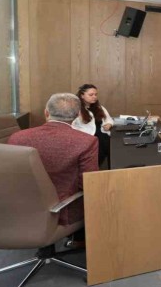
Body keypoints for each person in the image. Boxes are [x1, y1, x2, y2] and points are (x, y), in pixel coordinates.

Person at [8, 93, 98, 227]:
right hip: (61, 211)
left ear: (46, 112)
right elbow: (89, 183)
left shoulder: (17, 137)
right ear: (78, 115)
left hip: (18, 207)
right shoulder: (87, 141)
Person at [72, 84, 114, 166]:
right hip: (87, 138)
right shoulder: (76, 109)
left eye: (95, 94)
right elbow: (72, 126)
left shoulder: (99, 107)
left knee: (111, 146)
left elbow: (109, 119)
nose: (94, 97)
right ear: (82, 95)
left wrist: (109, 124)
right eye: (91, 95)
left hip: (102, 136)